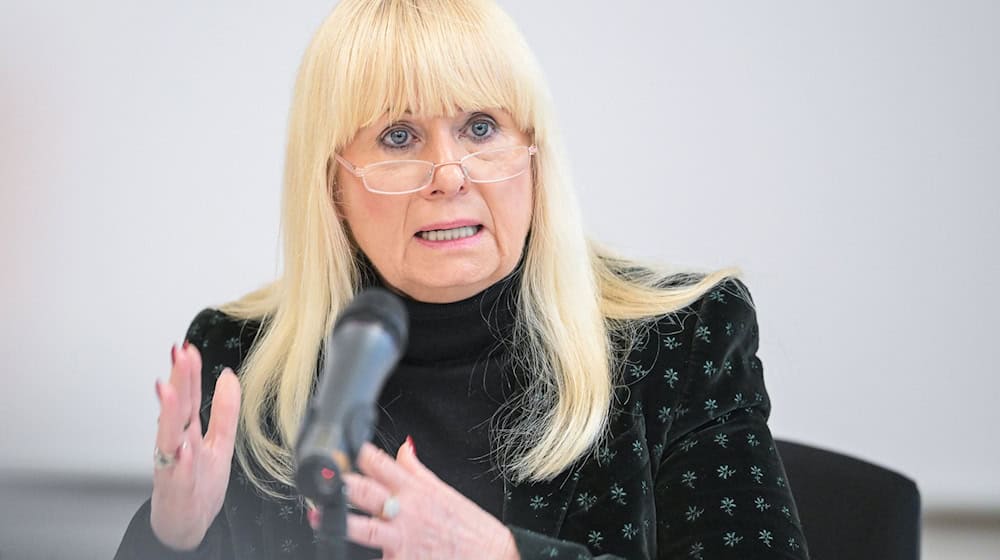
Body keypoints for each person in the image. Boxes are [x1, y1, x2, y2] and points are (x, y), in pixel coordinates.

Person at [116, 0, 810, 558]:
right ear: (331, 185)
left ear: (536, 158)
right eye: (398, 137)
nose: (449, 175)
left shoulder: (682, 342)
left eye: (481, 127)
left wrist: (505, 556)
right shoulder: (243, 361)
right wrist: (171, 539)